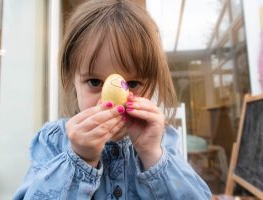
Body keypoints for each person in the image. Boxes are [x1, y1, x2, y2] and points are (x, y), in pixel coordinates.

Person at [13, 0, 212, 199]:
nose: (113, 102)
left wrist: (152, 155)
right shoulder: (54, 141)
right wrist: (79, 158)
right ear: (72, 80)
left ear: (153, 83)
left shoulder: (162, 140)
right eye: (94, 81)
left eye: (132, 84)